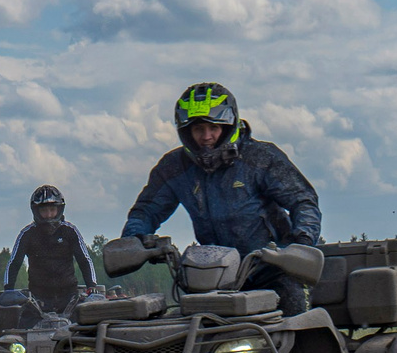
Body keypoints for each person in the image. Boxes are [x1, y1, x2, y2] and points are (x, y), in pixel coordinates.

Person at [122, 83, 321, 311]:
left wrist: (301, 245)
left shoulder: (260, 158)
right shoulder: (174, 167)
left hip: (273, 274)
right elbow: (146, 210)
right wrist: (134, 239)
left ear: (228, 126)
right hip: (211, 279)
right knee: (188, 337)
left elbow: (303, 201)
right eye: (198, 129)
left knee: (295, 332)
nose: (206, 136)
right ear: (186, 131)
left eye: (213, 128)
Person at [1, 184, 94, 314]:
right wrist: (8, 290)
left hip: (70, 299)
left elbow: (84, 260)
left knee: (87, 329)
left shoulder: (70, 231)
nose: (49, 215)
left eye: (52, 209)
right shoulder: (27, 234)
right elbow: (14, 262)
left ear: (59, 209)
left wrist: (92, 287)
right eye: (44, 210)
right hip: (37, 301)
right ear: (36, 211)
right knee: (17, 329)